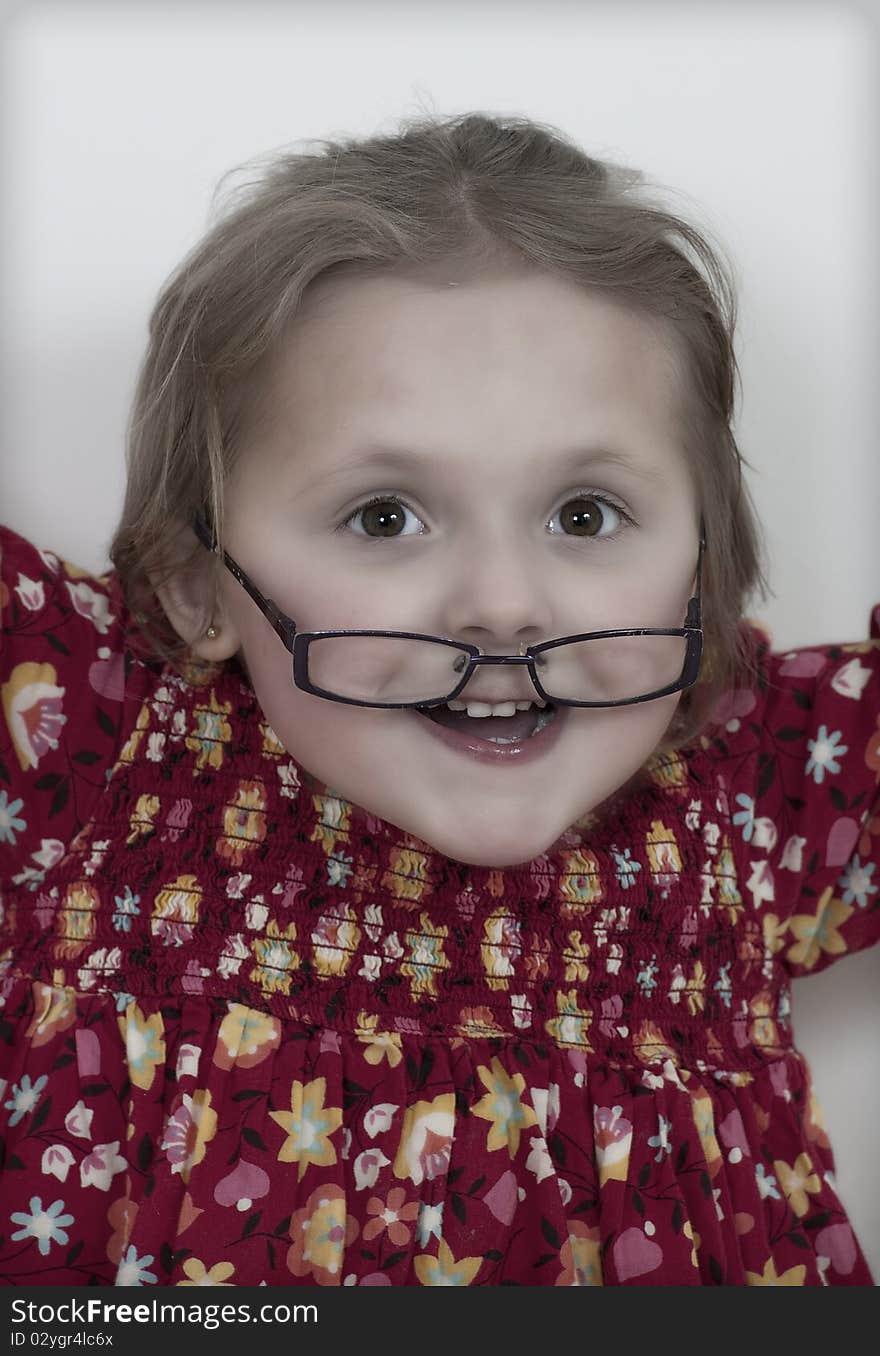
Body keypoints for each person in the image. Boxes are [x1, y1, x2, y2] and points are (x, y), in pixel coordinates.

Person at [1, 111, 878, 1289]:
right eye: (382, 518)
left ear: (700, 564)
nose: (503, 606)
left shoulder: (765, 781)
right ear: (199, 584)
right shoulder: (91, 735)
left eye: (584, 515)